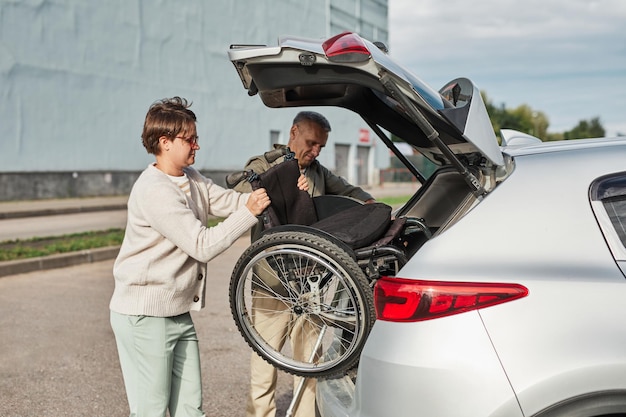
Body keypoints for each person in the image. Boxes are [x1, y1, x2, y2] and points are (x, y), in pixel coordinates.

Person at [109, 97, 271, 417]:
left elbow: (226, 201)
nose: (196, 145)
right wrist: (249, 213)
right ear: (164, 142)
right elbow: (201, 244)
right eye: (189, 139)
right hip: (145, 316)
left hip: (177, 312)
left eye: (197, 137)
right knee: (151, 411)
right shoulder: (154, 189)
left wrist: (267, 193)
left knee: (190, 408)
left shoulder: (190, 177)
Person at [234, 111, 374, 417]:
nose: (315, 151)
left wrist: (371, 205)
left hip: (310, 285)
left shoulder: (318, 172)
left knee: (310, 360)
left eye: (321, 146)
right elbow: (240, 194)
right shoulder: (262, 165)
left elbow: (353, 193)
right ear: (294, 132)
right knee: (264, 357)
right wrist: (281, 183)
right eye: (311, 143)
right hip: (272, 283)